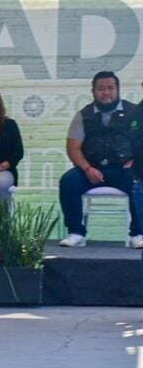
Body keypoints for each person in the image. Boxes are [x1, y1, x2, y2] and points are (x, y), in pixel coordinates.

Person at [59, 71, 142, 248]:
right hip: (91, 168)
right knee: (68, 181)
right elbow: (73, 147)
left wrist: (137, 162)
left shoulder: (135, 112)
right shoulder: (83, 115)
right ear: (93, 91)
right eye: (101, 89)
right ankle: (76, 232)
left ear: (118, 89)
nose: (106, 93)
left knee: (138, 184)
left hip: (124, 169)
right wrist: (87, 168)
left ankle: (138, 233)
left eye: (110, 88)